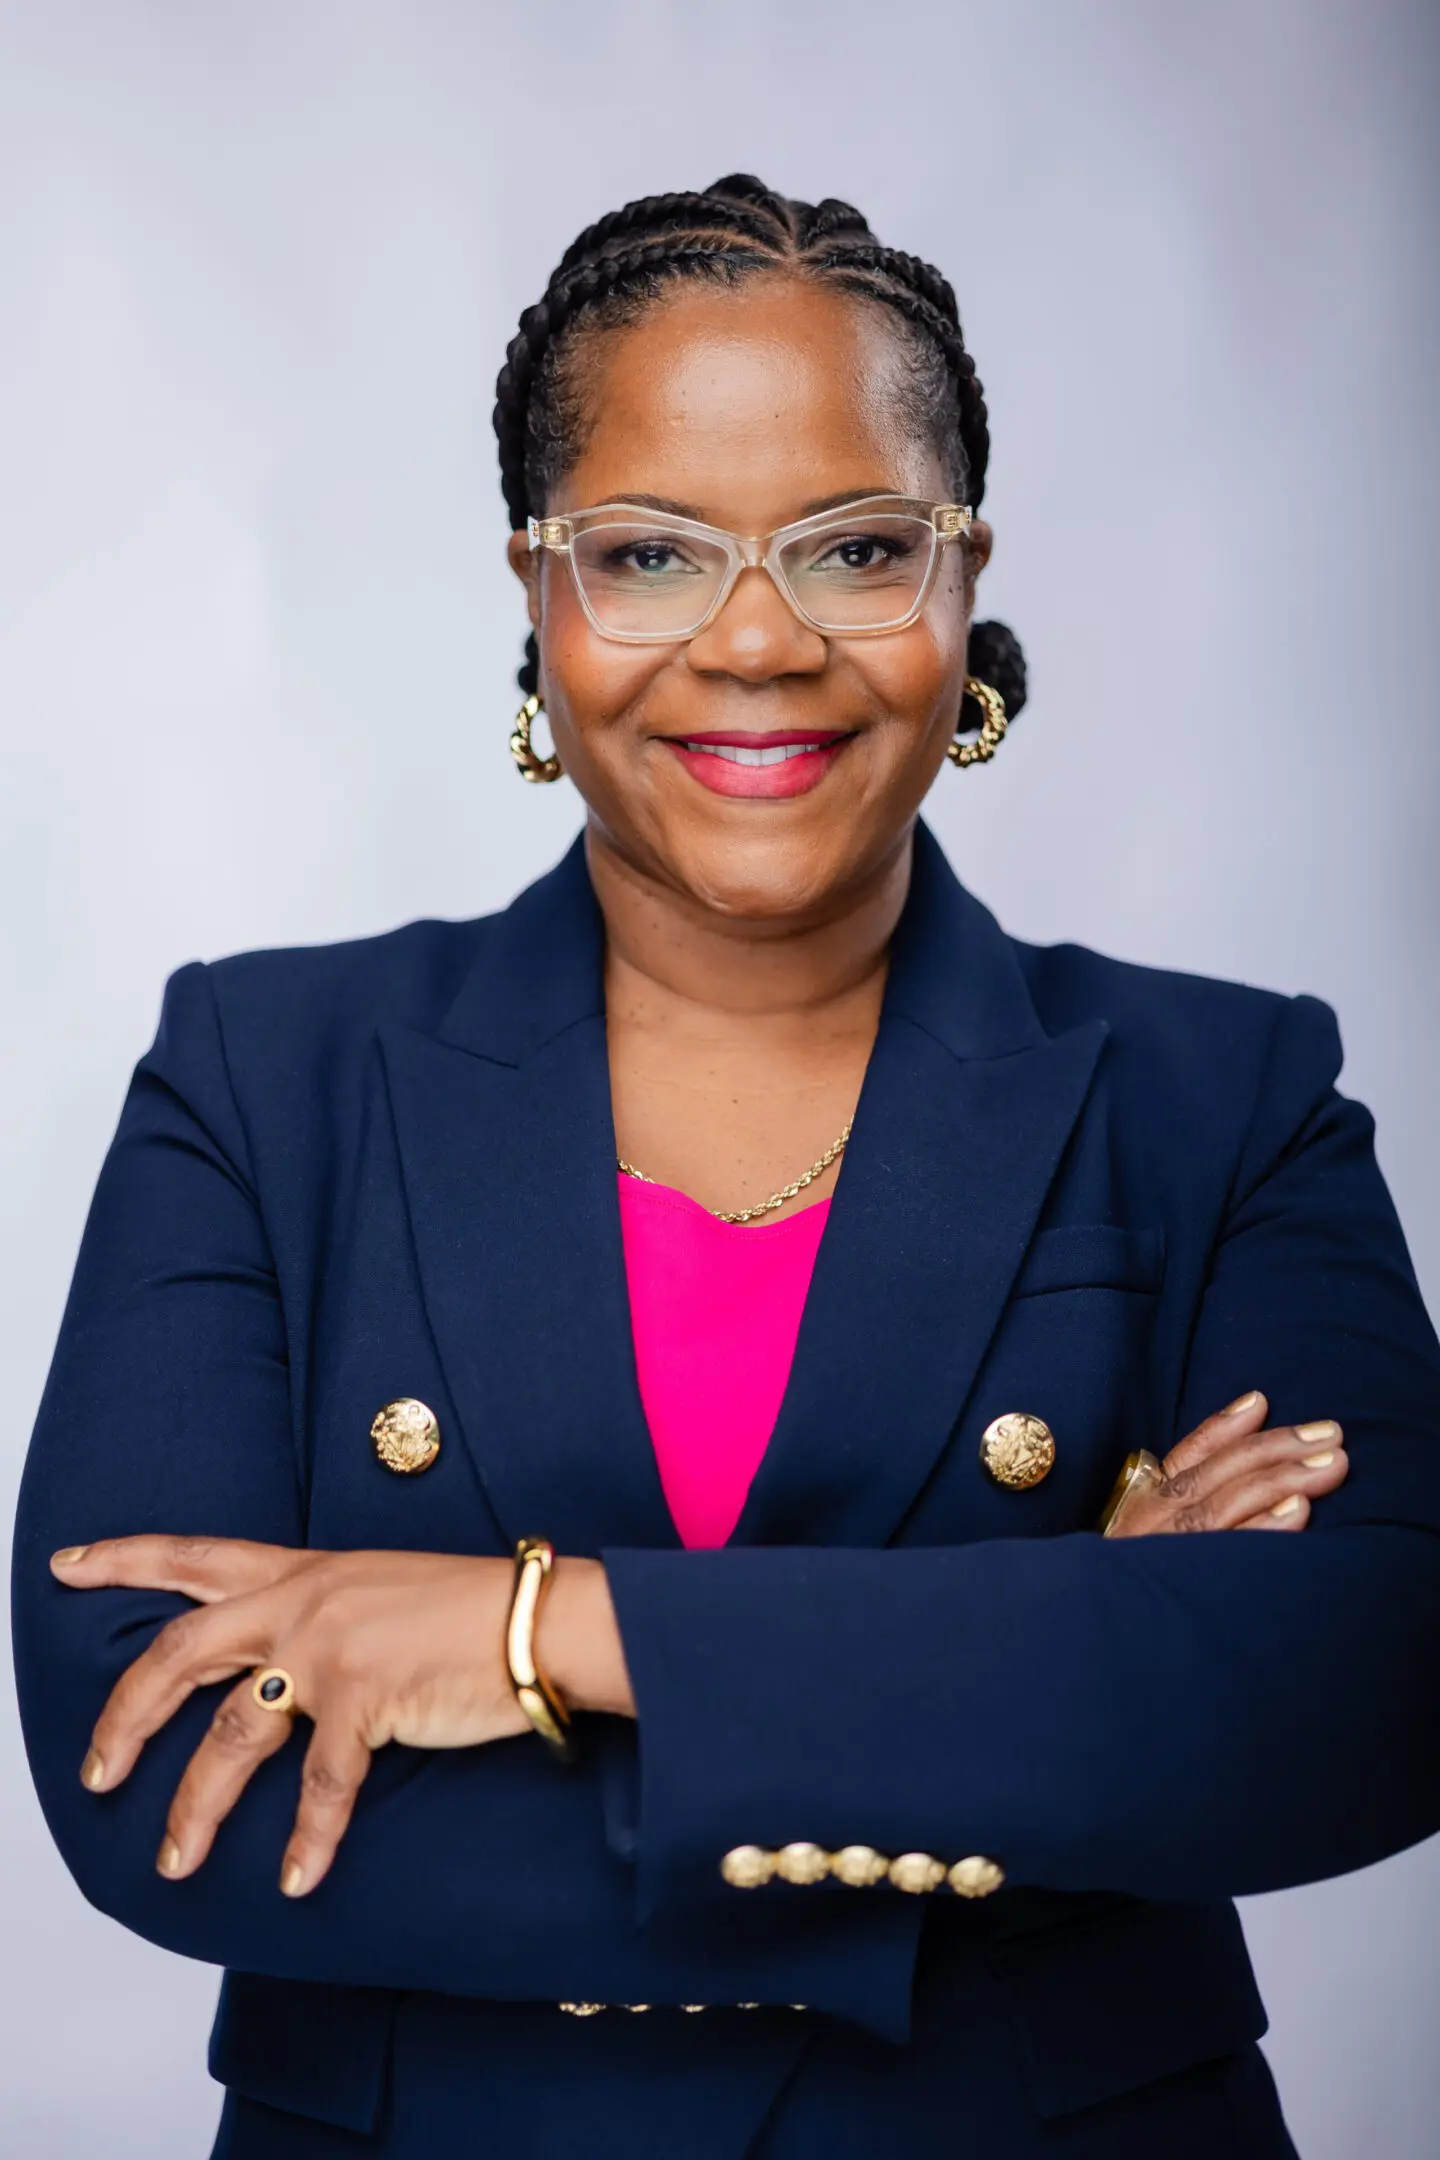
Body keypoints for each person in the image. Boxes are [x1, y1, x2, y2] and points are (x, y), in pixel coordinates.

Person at [13, 174, 1440, 2160]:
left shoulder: (1221, 1088)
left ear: (961, 580)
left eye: (857, 547)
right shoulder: (267, 1077)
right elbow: (152, 1762)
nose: (759, 641)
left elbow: (1367, 1686)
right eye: (651, 554)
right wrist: (1034, 1698)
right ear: (539, 592)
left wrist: (536, 1635)